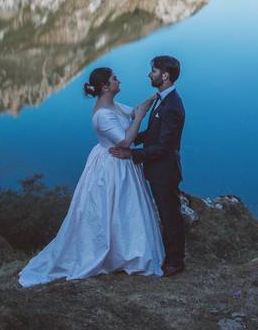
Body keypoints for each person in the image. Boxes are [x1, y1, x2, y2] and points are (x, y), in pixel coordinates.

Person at [18, 68, 164, 287]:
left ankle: (124, 249)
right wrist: (141, 117)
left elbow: (132, 112)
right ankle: (115, 253)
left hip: (120, 164)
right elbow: (125, 142)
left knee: (122, 209)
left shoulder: (112, 105)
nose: (119, 80)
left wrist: (153, 98)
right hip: (112, 165)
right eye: (115, 78)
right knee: (111, 208)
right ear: (105, 87)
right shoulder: (102, 115)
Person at [111, 55, 186, 277]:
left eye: (153, 71)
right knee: (165, 213)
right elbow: (154, 134)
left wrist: (131, 154)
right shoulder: (162, 99)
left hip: (165, 171)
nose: (149, 74)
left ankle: (176, 261)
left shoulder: (172, 105)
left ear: (165, 75)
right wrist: (132, 138)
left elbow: (164, 146)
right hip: (157, 169)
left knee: (170, 215)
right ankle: (168, 254)